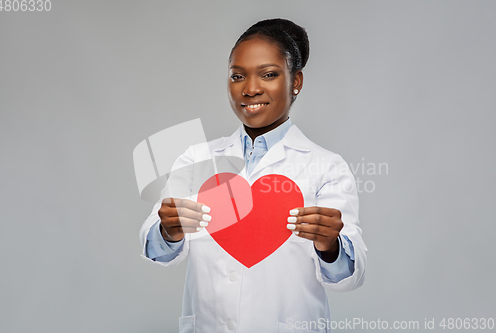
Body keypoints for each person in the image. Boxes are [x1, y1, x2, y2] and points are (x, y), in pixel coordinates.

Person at [139, 18, 366, 333]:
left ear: (296, 81)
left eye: (269, 74)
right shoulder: (197, 158)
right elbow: (156, 251)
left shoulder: (326, 166)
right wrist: (168, 231)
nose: (250, 88)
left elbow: (346, 277)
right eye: (237, 76)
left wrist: (330, 245)